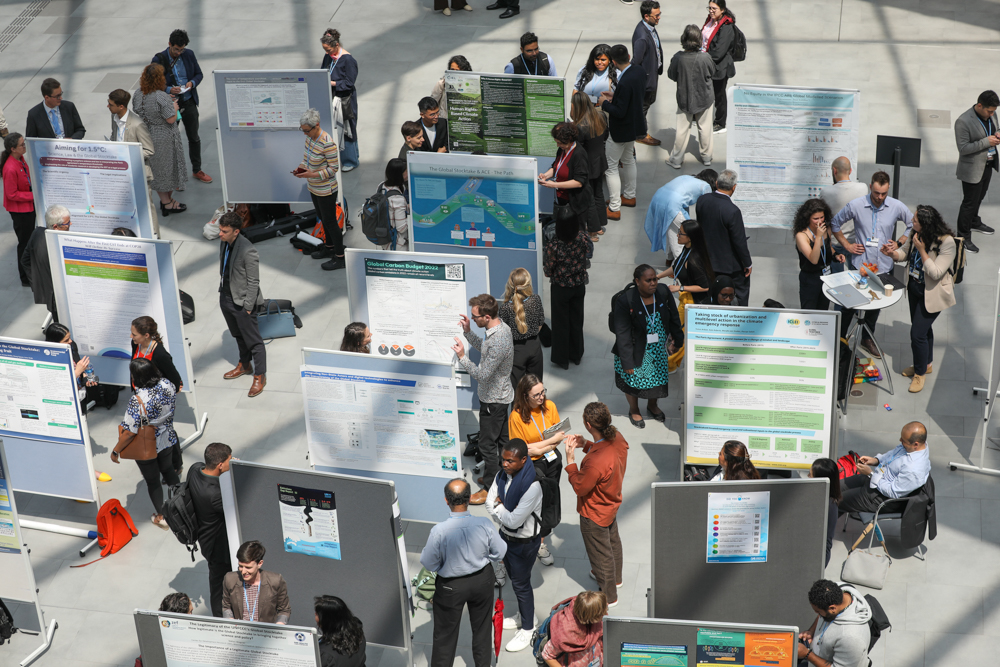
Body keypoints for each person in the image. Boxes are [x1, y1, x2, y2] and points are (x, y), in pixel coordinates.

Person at [420, 479, 507, 667]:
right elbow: (500, 552)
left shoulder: (439, 531)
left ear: (446, 500)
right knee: (482, 630)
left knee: (445, 636)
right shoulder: (483, 524)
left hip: (450, 586)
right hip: (482, 580)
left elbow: (429, 563)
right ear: (469, 498)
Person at [831, 171, 912, 359]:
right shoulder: (856, 205)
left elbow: (912, 224)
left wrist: (899, 242)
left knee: (875, 305)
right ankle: (840, 340)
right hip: (859, 266)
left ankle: (867, 339)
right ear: (870, 187)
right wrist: (847, 245)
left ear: (888, 188)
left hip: (883, 266)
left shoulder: (896, 206)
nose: (880, 197)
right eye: (876, 193)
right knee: (849, 305)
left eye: (883, 193)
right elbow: (835, 224)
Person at [565, 402, 629, 608]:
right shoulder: (617, 438)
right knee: (613, 542)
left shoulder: (594, 462)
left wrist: (570, 462)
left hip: (594, 512)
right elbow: (607, 456)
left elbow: (580, 487)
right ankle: (616, 579)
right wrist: (586, 445)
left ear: (587, 424)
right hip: (611, 503)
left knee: (601, 555)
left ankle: (609, 596)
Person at [452, 294, 515, 504]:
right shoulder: (500, 328)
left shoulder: (497, 340)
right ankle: (504, 479)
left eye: (475, 316)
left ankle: (491, 488)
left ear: (486, 317)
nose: (472, 318)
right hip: (501, 397)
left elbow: (482, 374)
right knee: (502, 442)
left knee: (487, 445)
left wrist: (462, 357)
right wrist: (468, 333)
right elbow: (486, 349)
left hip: (493, 401)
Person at [886, 205, 956, 393]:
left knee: (917, 334)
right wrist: (892, 254)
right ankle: (926, 363)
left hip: (932, 293)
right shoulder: (915, 234)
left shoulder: (947, 243)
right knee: (924, 330)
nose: (911, 221)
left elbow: (935, 272)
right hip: (915, 288)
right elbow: (904, 254)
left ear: (925, 224)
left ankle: (919, 374)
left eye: (915, 220)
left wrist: (922, 250)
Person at [486, 439, 542, 651]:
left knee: (521, 584)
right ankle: (525, 615)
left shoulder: (533, 486)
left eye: (510, 461)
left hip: (523, 544)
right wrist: (503, 512)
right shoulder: (501, 475)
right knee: (517, 581)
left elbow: (514, 521)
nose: (504, 464)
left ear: (524, 460)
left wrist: (500, 509)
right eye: (503, 459)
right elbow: (488, 503)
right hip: (506, 538)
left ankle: (528, 628)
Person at [110, 358, 179, 530]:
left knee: (153, 481)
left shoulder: (138, 400)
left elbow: (129, 432)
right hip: (167, 438)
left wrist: (116, 450)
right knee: (169, 470)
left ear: (136, 378)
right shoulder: (167, 384)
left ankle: (162, 517)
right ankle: (183, 502)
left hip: (147, 446)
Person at [612, 265, 684, 428]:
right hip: (634, 348)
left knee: (657, 379)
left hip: (657, 348)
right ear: (637, 281)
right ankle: (634, 409)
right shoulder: (626, 300)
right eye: (648, 280)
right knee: (633, 382)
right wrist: (627, 361)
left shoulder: (663, 292)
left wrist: (678, 341)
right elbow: (622, 333)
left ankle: (652, 405)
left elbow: (674, 317)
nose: (653, 283)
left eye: (655, 279)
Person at [508, 374, 564, 566]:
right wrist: (548, 444)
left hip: (552, 460)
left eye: (543, 392)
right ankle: (531, 540)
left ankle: (541, 542)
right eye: (536, 395)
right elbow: (524, 449)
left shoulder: (550, 407)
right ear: (525, 396)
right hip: (533, 466)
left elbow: (559, 436)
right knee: (535, 504)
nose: (542, 397)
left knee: (550, 502)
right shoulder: (516, 417)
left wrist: (541, 447)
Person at [149, 30, 209, 183]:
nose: (179, 52)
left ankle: (197, 170)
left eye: (181, 49)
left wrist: (192, 83)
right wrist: (169, 89)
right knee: (171, 141)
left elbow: (199, 74)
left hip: (188, 102)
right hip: (170, 105)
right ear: (169, 44)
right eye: (176, 49)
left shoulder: (189, 55)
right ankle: (174, 175)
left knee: (194, 137)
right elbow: (152, 83)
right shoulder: (159, 59)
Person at [218, 211, 267, 397]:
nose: (220, 234)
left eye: (224, 231)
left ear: (236, 231)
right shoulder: (223, 243)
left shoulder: (249, 250)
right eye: (220, 230)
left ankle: (259, 376)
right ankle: (245, 365)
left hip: (242, 302)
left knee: (254, 341)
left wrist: (247, 306)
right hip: (226, 296)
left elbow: (254, 281)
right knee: (237, 334)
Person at [839, 421, 931, 515]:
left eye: (903, 441)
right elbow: (892, 454)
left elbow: (892, 492)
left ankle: (826, 526)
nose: (900, 440)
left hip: (880, 498)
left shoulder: (914, 469)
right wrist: (876, 460)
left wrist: (870, 474)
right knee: (834, 487)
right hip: (875, 479)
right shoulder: (913, 445)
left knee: (836, 500)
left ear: (916, 444)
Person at [133, 63, 188, 217]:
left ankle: (167, 200)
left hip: (147, 134)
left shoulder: (138, 93)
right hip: (164, 136)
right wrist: (174, 107)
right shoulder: (160, 96)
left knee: (157, 168)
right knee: (166, 169)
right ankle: (167, 203)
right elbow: (171, 119)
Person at [131, 315, 183, 472]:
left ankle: (176, 464)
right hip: (140, 396)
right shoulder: (136, 344)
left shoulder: (159, 354)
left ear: (146, 335)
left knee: (166, 430)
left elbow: (174, 377)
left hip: (156, 400)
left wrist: (165, 398)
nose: (131, 336)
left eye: (134, 334)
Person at [599, 45, 646, 221]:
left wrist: (605, 102)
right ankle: (629, 196)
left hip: (620, 130)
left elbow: (618, 112)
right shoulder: (638, 71)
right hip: (634, 127)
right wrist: (615, 96)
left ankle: (614, 207)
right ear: (628, 55)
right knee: (628, 160)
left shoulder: (624, 82)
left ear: (612, 61)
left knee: (611, 168)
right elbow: (632, 97)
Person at [296, 108, 345, 271]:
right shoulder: (310, 139)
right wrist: (302, 169)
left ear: (316, 125)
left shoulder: (328, 143)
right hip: (314, 187)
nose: (305, 133)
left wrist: (313, 174)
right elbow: (306, 158)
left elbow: (334, 169)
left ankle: (340, 257)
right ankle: (329, 247)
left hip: (326, 190)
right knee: (323, 219)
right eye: (302, 130)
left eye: (306, 130)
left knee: (330, 222)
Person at [187, 442, 232, 617]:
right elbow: (236, 505)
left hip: (204, 538)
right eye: (229, 461)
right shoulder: (215, 495)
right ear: (220, 465)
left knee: (216, 579)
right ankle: (220, 617)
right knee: (219, 583)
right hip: (218, 546)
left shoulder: (194, 470)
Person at [695, 169, 752, 305]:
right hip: (730, 266)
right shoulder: (732, 211)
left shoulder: (702, 200)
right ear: (734, 188)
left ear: (716, 183)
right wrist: (747, 263)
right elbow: (739, 241)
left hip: (707, 261)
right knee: (740, 293)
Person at [108, 89, 160, 237]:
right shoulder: (114, 118)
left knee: (146, 208)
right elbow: (115, 137)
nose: (108, 107)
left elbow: (149, 150)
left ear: (121, 106)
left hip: (138, 174)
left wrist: (127, 155)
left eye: (110, 104)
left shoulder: (137, 124)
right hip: (121, 173)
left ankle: (154, 236)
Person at [955, 90, 1000, 254]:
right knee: (969, 202)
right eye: (989, 111)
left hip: (987, 164)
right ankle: (962, 236)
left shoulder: (991, 114)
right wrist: (985, 142)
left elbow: (997, 126)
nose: (992, 114)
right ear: (979, 105)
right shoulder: (963, 121)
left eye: (994, 111)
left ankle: (974, 221)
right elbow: (963, 148)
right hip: (972, 169)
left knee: (980, 197)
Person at [543, 214, 591, 370]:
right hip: (579, 285)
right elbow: (588, 254)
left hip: (560, 288)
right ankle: (576, 355)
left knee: (560, 324)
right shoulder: (582, 239)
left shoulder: (554, 245)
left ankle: (562, 359)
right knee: (576, 321)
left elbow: (548, 269)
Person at [666, 25, 716, 168]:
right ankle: (706, 157)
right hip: (705, 97)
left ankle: (676, 160)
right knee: (705, 128)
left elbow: (671, 75)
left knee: (682, 130)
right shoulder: (705, 57)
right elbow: (712, 72)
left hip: (684, 98)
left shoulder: (678, 58)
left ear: (684, 39)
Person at [538, 123, 596, 239]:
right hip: (563, 200)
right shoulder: (562, 149)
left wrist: (555, 184)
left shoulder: (579, 154)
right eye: (557, 142)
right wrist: (545, 175)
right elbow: (556, 167)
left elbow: (579, 182)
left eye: (560, 143)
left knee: (576, 235)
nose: (558, 145)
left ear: (569, 140)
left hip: (575, 202)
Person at [797, 580, 872, 667]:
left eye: (818, 612)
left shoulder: (851, 638)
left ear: (832, 608)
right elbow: (823, 614)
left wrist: (807, 654)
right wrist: (811, 631)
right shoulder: (838, 590)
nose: (818, 615)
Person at [644, 170, 715, 259]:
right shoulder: (706, 186)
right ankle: (679, 264)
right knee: (686, 234)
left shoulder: (688, 177)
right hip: (672, 205)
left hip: (657, 199)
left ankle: (669, 259)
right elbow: (707, 207)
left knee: (672, 228)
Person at [222, 540, 291, 624]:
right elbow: (226, 606)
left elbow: (284, 610)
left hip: (266, 633)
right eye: (240, 566)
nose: (243, 571)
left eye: (248, 567)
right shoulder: (230, 579)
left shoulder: (275, 581)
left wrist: (278, 627)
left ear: (260, 563)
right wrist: (231, 622)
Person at [793, 199, 844, 311]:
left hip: (825, 275)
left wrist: (836, 255)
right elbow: (814, 259)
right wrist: (818, 237)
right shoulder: (801, 235)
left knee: (823, 310)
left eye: (822, 217)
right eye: (815, 219)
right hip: (810, 278)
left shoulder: (826, 228)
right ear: (807, 218)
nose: (820, 221)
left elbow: (828, 247)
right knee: (810, 312)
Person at [569, 91, 609, 236]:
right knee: (599, 193)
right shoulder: (601, 116)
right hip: (600, 161)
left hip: (587, 165)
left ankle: (593, 229)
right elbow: (606, 136)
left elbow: (578, 148)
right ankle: (600, 225)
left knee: (589, 197)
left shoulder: (580, 127)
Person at [23, 204, 71, 320]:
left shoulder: (37, 233)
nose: (70, 224)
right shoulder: (61, 246)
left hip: (51, 296)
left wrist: (38, 284)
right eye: (67, 223)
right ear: (56, 226)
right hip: (60, 299)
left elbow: (25, 260)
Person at [321, 30, 360, 172]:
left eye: (329, 49)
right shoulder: (329, 56)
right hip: (332, 96)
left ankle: (351, 160)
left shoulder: (348, 60)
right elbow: (323, 71)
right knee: (337, 127)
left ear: (336, 45)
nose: (327, 52)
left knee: (348, 128)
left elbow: (349, 83)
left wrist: (330, 83)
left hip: (345, 99)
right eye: (325, 50)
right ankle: (352, 157)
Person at [500, 268, 544, 388]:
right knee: (535, 387)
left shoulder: (505, 308)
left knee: (517, 391)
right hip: (535, 347)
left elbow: (503, 333)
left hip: (515, 351)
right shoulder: (536, 300)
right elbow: (541, 323)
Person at [540, 591, 607, 667]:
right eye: (602, 613)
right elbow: (547, 654)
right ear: (592, 617)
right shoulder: (564, 633)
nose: (605, 614)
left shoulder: (596, 623)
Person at [656, 219, 715, 305]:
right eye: (678, 231)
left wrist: (680, 288)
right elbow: (678, 266)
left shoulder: (694, 260)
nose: (677, 235)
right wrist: (658, 277)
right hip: (687, 298)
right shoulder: (686, 249)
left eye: (681, 233)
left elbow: (704, 287)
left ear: (690, 237)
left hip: (696, 303)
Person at [2, 132, 34, 286]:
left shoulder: (20, 159)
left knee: (29, 240)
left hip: (28, 208)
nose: (24, 146)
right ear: (13, 149)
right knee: (24, 243)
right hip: (20, 212)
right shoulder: (10, 168)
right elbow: (11, 194)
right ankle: (25, 277)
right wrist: (32, 196)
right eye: (22, 145)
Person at [820, 157, 869, 254]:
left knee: (837, 269)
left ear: (834, 170)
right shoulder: (863, 188)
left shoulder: (826, 192)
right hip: (856, 243)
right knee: (856, 269)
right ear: (850, 171)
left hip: (835, 242)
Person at [701, 1, 737, 134]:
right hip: (707, 62)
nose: (711, 11)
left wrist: (703, 58)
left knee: (719, 95)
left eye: (714, 9)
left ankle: (720, 123)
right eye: (709, 8)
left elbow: (718, 52)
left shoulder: (727, 27)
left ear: (722, 10)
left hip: (719, 67)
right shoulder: (710, 20)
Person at [631, 1, 663, 146]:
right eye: (656, 15)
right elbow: (636, 61)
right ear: (646, 16)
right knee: (643, 106)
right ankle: (640, 134)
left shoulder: (649, 27)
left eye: (659, 14)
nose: (659, 18)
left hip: (652, 75)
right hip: (646, 80)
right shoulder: (642, 36)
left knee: (646, 104)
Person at [44, 322, 98, 403]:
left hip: (80, 395)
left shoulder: (71, 346)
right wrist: (77, 372)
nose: (70, 341)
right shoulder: (48, 359)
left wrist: (85, 378)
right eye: (66, 340)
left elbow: (77, 361)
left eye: (70, 337)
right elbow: (57, 384)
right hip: (65, 400)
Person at [315, 595, 367, 667]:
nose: (315, 615)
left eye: (317, 614)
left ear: (326, 620)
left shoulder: (325, 655)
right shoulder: (357, 630)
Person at [808, 458, 841, 568]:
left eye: (810, 474)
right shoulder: (825, 499)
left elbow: (826, 543)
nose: (808, 477)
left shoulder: (828, 506)